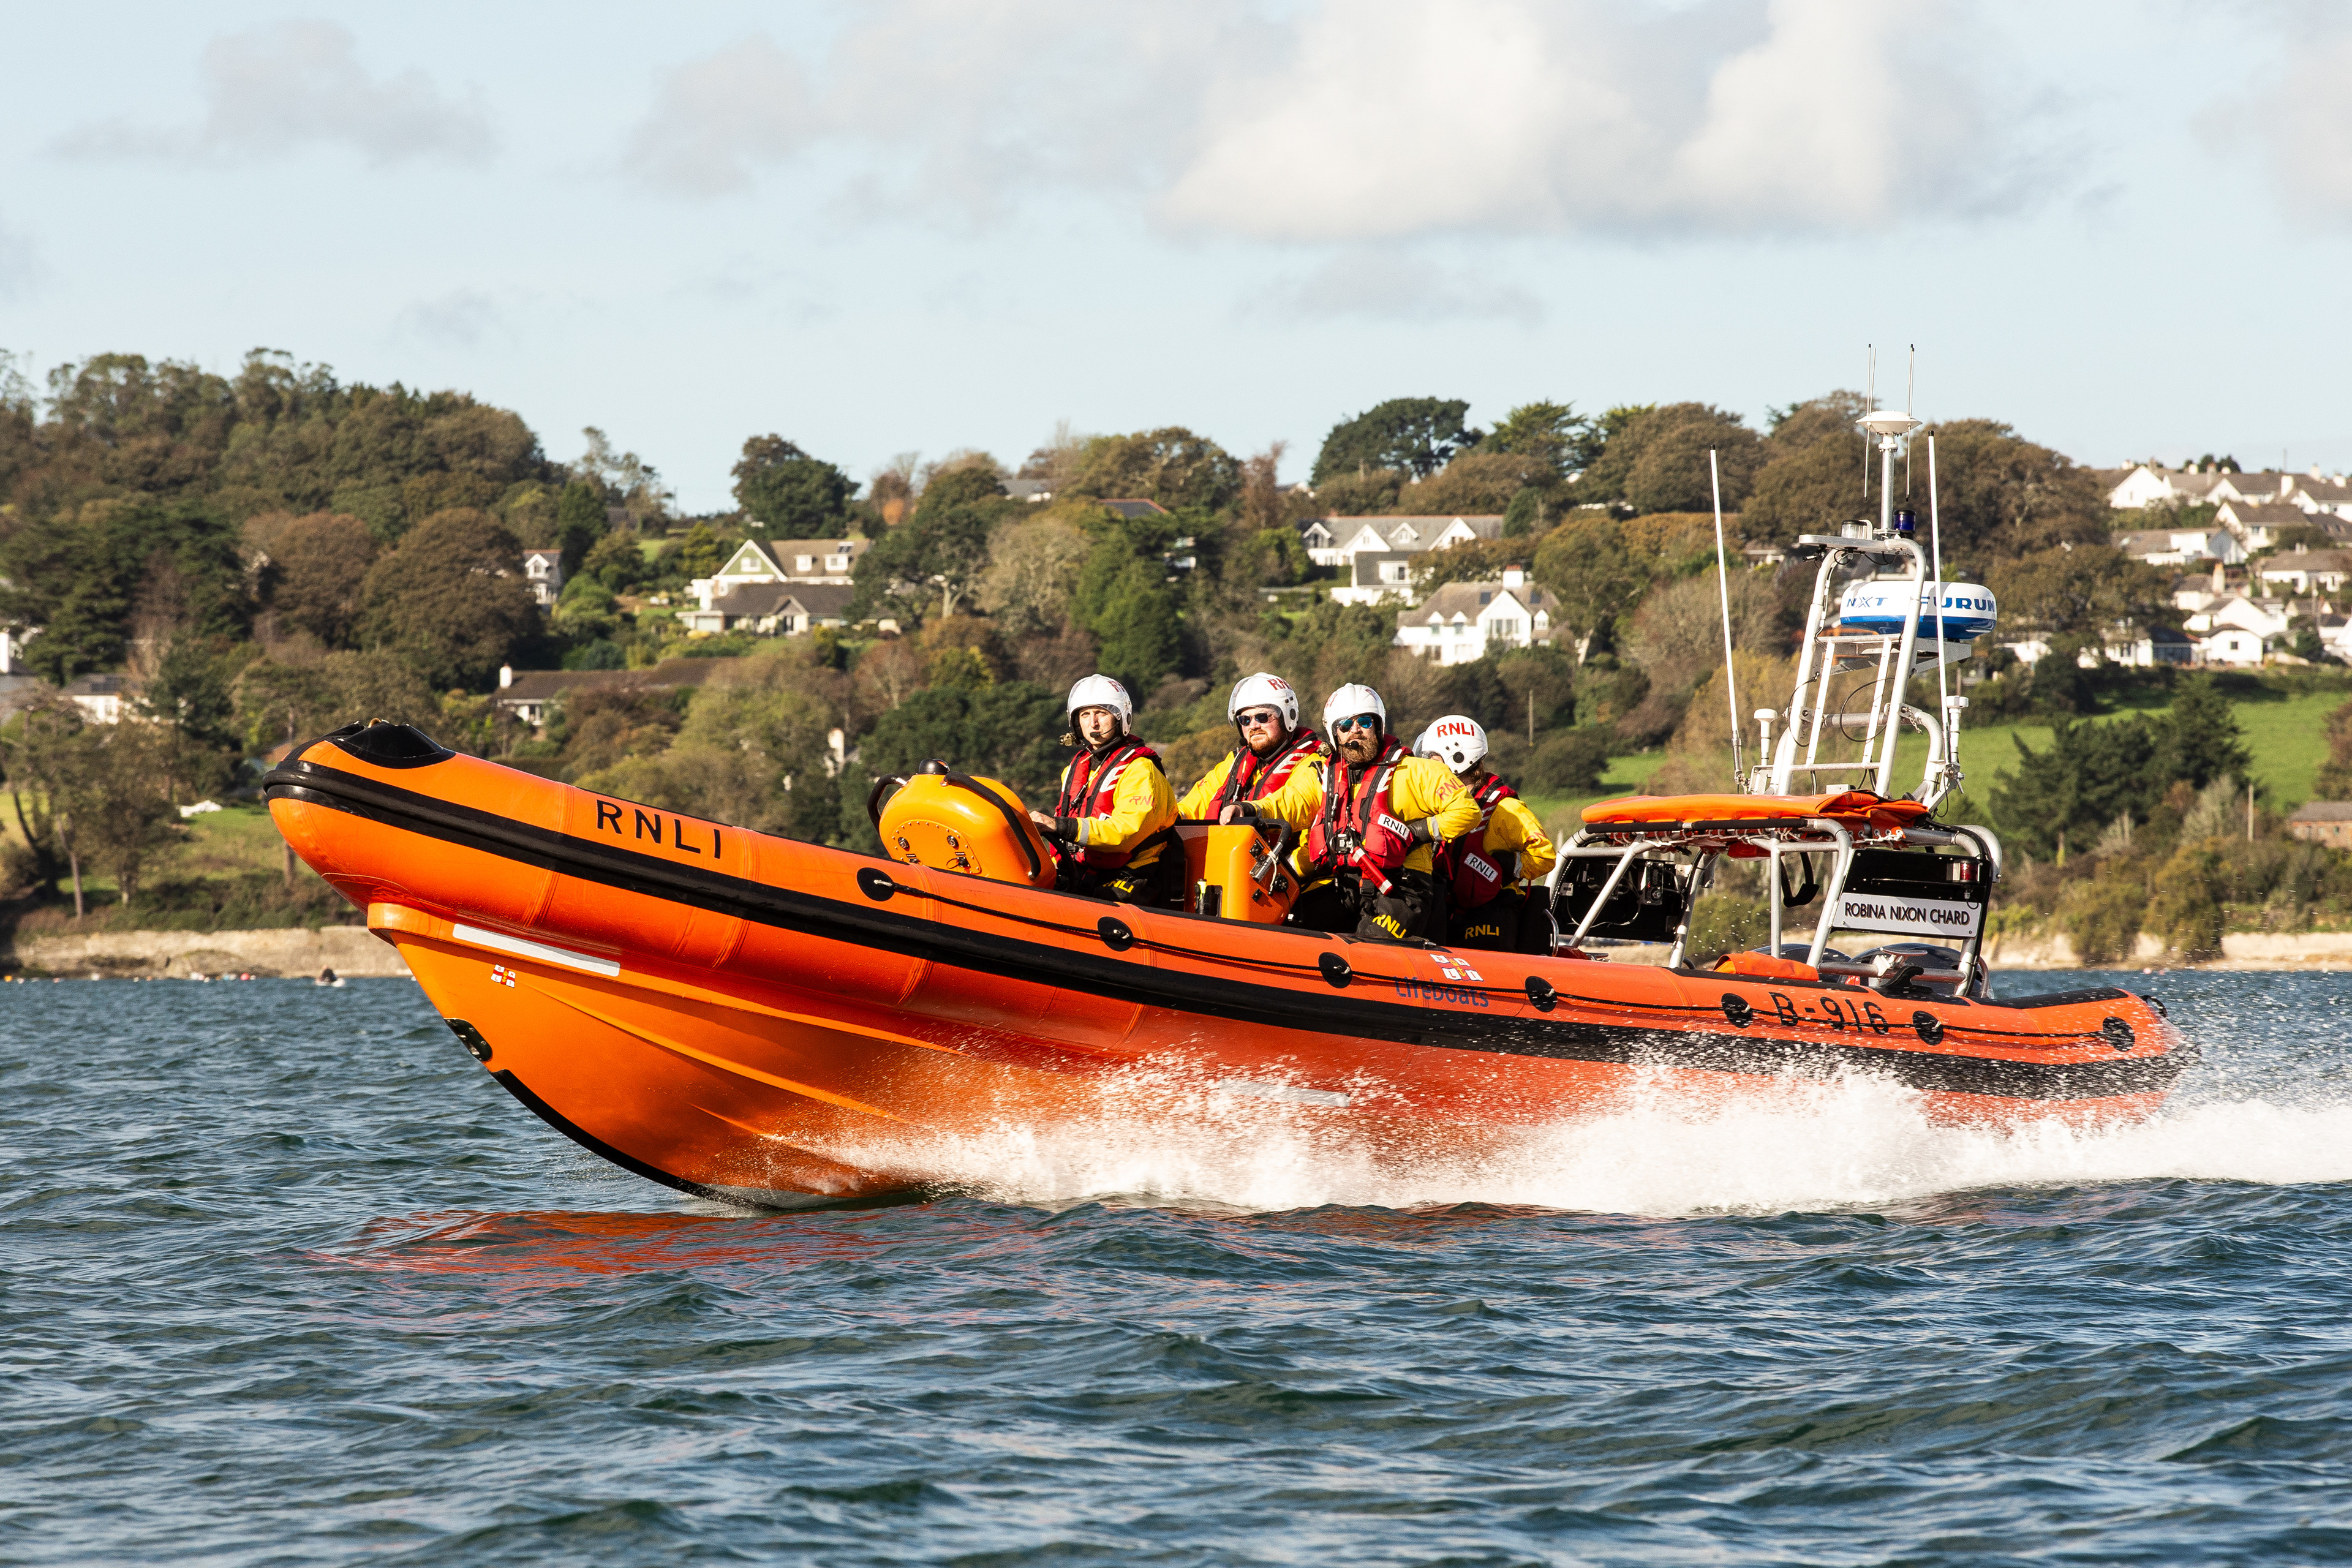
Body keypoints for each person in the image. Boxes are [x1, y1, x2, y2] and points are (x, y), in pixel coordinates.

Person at [1236, 684, 1480, 942]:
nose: (1356, 730)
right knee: (1291, 927)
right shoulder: (1323, 775)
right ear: (1335, 735)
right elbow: (1290, 802)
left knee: (1368, 946)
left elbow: (1467, 811)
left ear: (1378, 726)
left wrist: (1417, 833)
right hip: (1346, 885)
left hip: (1403, 888)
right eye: (1345, 725)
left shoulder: (1418, 771)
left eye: (1364, 722)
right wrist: (1249, 808)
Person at [1027, 674, 1183, 907]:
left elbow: (1126, 833)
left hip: (1134, 874)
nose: (1093, 723)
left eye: (1101, 713)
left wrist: (1060, 825)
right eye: (1085, 715)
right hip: (1084, 870)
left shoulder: (1141, 769)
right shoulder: (1075, 769)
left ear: (1121, 718)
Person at [1415, 715, 1558, 954]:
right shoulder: (1439, 804)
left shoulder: (1505, 809)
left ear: (1457, 758)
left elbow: (1545, 856)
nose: (1428, 765)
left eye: (1433, 758)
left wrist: (1509, 866)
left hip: (1492, 914)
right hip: (1447, 910)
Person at [1176, 673, 1321, 820]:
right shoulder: (1233, 764)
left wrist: (1251, 810)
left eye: (1262, 717)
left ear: (1288, 717)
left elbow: (1296, 802)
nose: (1253, 726)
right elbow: (1194, 803)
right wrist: (1172, 818)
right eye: (1245, 720)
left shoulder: (1315, 765)